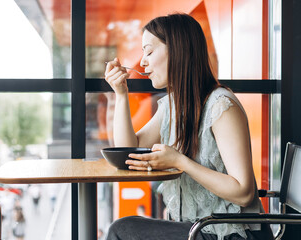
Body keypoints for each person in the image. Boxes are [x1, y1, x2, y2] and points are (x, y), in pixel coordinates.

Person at [104, 13, 273, 240]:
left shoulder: (221, 106)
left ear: (177, 50)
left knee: (120, 230)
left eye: (149, 51)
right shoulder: (174, 105)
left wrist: (179, 161)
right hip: (202, 229)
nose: (142, 61)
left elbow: (243, 192)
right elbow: (128, 151)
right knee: (122, 228)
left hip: (233, 234)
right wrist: (121, 95)